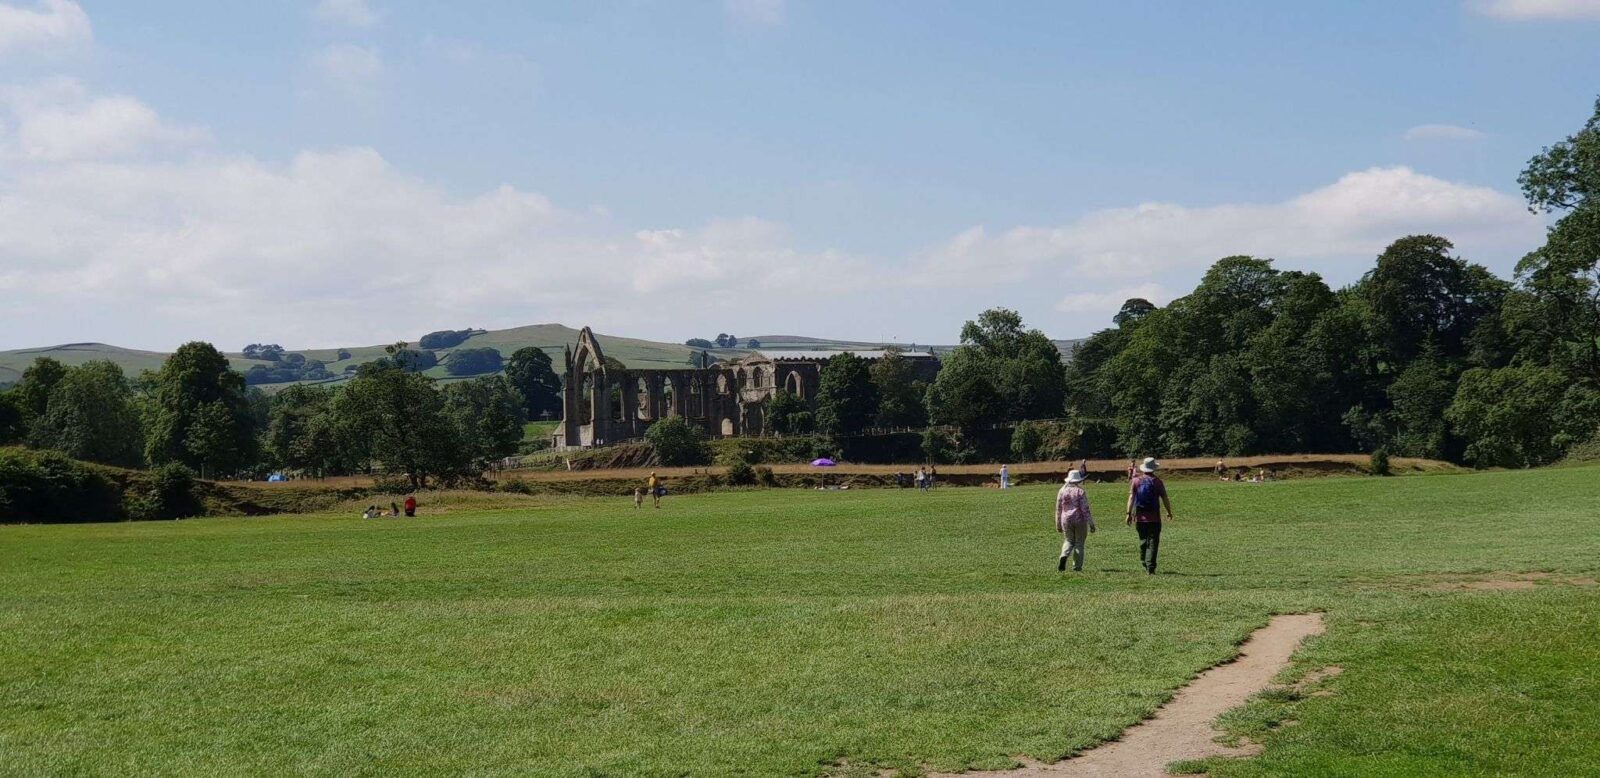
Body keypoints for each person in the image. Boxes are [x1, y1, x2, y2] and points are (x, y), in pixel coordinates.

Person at [1126, 457, 1174, 574]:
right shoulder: (1157, 482)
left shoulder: (1136, 481)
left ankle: (1144, 560)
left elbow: (1131, 497)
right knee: (1153, 542)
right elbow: (1165, 498)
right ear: (1154, 468)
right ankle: (1150, 567)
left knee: (1143, 540)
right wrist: (1168, 511)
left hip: (1140, 517)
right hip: (1154, 518)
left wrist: (1128, 513)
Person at [1056, 469, 1096, 572]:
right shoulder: (1080, 491)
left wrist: (1058, 524)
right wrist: (1091, 524)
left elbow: (1058, 509)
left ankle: (1064, 555)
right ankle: (1077, 566)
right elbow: (1085, 509)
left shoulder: (1062, 491)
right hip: (1079, 520)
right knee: (1079, 543)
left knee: (1069, 540)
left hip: (1066, 520)